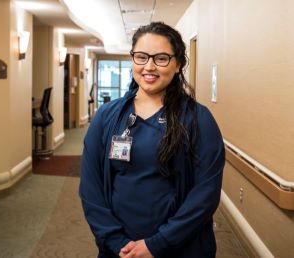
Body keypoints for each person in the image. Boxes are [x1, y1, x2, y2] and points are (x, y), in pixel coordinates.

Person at [79, 22, 225, 258]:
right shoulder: (107, 116)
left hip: (179, 246)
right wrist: (116, 242)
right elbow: (90, 186)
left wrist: (157, 244)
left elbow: (205, 194)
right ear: (132, 59)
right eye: (141, 56)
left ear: (178, 64)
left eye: (161, 58)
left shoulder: (198, 119)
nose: (149, 66)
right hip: (119, 249)